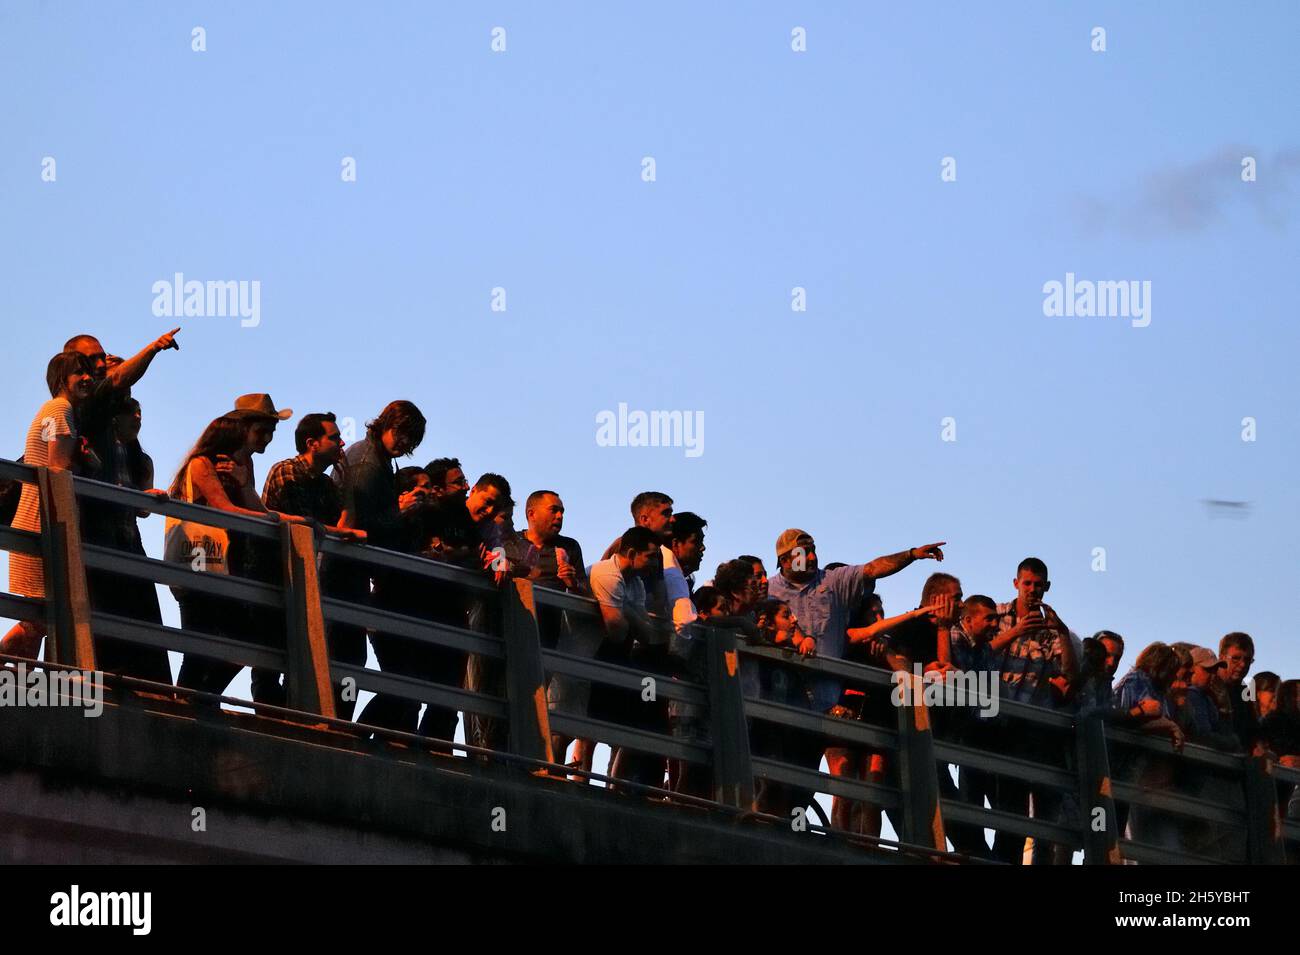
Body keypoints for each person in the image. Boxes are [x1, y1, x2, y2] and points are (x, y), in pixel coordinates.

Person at [765, 528, 945, 828]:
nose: (811, 556)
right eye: (803, 552)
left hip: (822, 705)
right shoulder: (768, 591)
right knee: (774, 778)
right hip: (778, 702)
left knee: (804, 785)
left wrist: (912, 554)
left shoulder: (833, 583)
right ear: (784, 559)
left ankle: (792, 838)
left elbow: (873, 568)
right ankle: (771, 837)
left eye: (813, 549)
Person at [171, 398, 309, 704]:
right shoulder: (202, 464)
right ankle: (185, 706)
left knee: (238, 641)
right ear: (243, 428)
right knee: (203, 643)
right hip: (202, 565)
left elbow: (252, 507)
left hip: (228, 567)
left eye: (271, 431)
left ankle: (201, 700)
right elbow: (226, 509)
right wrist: (277, 518)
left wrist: (247, 486)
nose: (268, 438)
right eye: (263, 430)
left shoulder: (245, 464)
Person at [260, 412, 367, 717]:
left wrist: (346, 485)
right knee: (271, 657)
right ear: (312, 442)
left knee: (305, 654)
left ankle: (295, 717)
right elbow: (306, 526)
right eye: (334, 438)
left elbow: (343, 524)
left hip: (303, 580)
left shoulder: (325, 484)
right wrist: (343, 532)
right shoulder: (286, 471)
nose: (341, 443)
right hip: (275, 575)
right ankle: (273, 720)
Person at [334, 401, 428, 735]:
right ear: (387, 424)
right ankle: (341, 729)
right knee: (347, 658)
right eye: (402, 433)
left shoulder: (376, 459)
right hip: (345, 572)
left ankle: (343, 728)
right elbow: (359, 523)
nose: (404, 444)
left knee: (350, 660)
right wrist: (401, 515)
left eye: (411, 440)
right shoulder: (367, 461)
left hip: (354, 573)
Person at [1, 353, 97, 659]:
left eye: (88, 373)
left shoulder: (55, 410)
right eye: (78, 373)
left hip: (35, 519)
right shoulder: (60, 409)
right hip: (40, 522)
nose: (87, 378)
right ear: (61, 379)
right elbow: (58, 471)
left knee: (39, 618)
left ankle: (20, 684)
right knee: (37, 619)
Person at [79, 394, 174, 685]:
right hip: (106, 540)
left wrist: (144, 496)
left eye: (140, 412)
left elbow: (142, 510)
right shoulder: (101, 445)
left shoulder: (137, 456)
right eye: (130, 412)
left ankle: (142, 683)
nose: (137, 418)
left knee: (137, 614)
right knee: (112, 613)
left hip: (128, 541)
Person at [989, 557, 1077, 864]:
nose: (1032, 590)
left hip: (1026, 729)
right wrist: (1014, 633)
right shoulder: (996, 614)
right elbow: (975, 653)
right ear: (1016, 583)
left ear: (1047, 587)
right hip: (988, 723)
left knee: (1017, 813)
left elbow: (1070, 676)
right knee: (984, 802)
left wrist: (1063, 634)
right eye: (1027, 583)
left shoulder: (1051, 629)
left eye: (1038, 585)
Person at [502, 490, 591, 764]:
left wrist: (573, 584)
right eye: (554, 510)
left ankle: (531, 761)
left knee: (536, 698)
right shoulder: (511, 542)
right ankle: (503, 756)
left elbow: (585, 597)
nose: (560, 516)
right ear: (531, 513)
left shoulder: (569, 547)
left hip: (549, 636)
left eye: (562, 511)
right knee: (507, 694)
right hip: (512, 631)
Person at [587, 526, 662, 788]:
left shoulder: (636, 583)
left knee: (614, 717)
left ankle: (612, 782)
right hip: (586, 650)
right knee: (577, 716)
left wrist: (626, 612)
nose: (654, 563)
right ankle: (579, 777)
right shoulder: (608, 573)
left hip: (609, 653)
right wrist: (630, 615)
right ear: (631, 553)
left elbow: (647, 633)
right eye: (650, 556)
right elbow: (617, 630)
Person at [1216, 632, 1262, 753]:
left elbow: (1253, 732)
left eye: (1247, 660)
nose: (1242, 664)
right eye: (1236, 658)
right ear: (1221, 656)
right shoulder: (1209, 685)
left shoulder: (1245, 692)